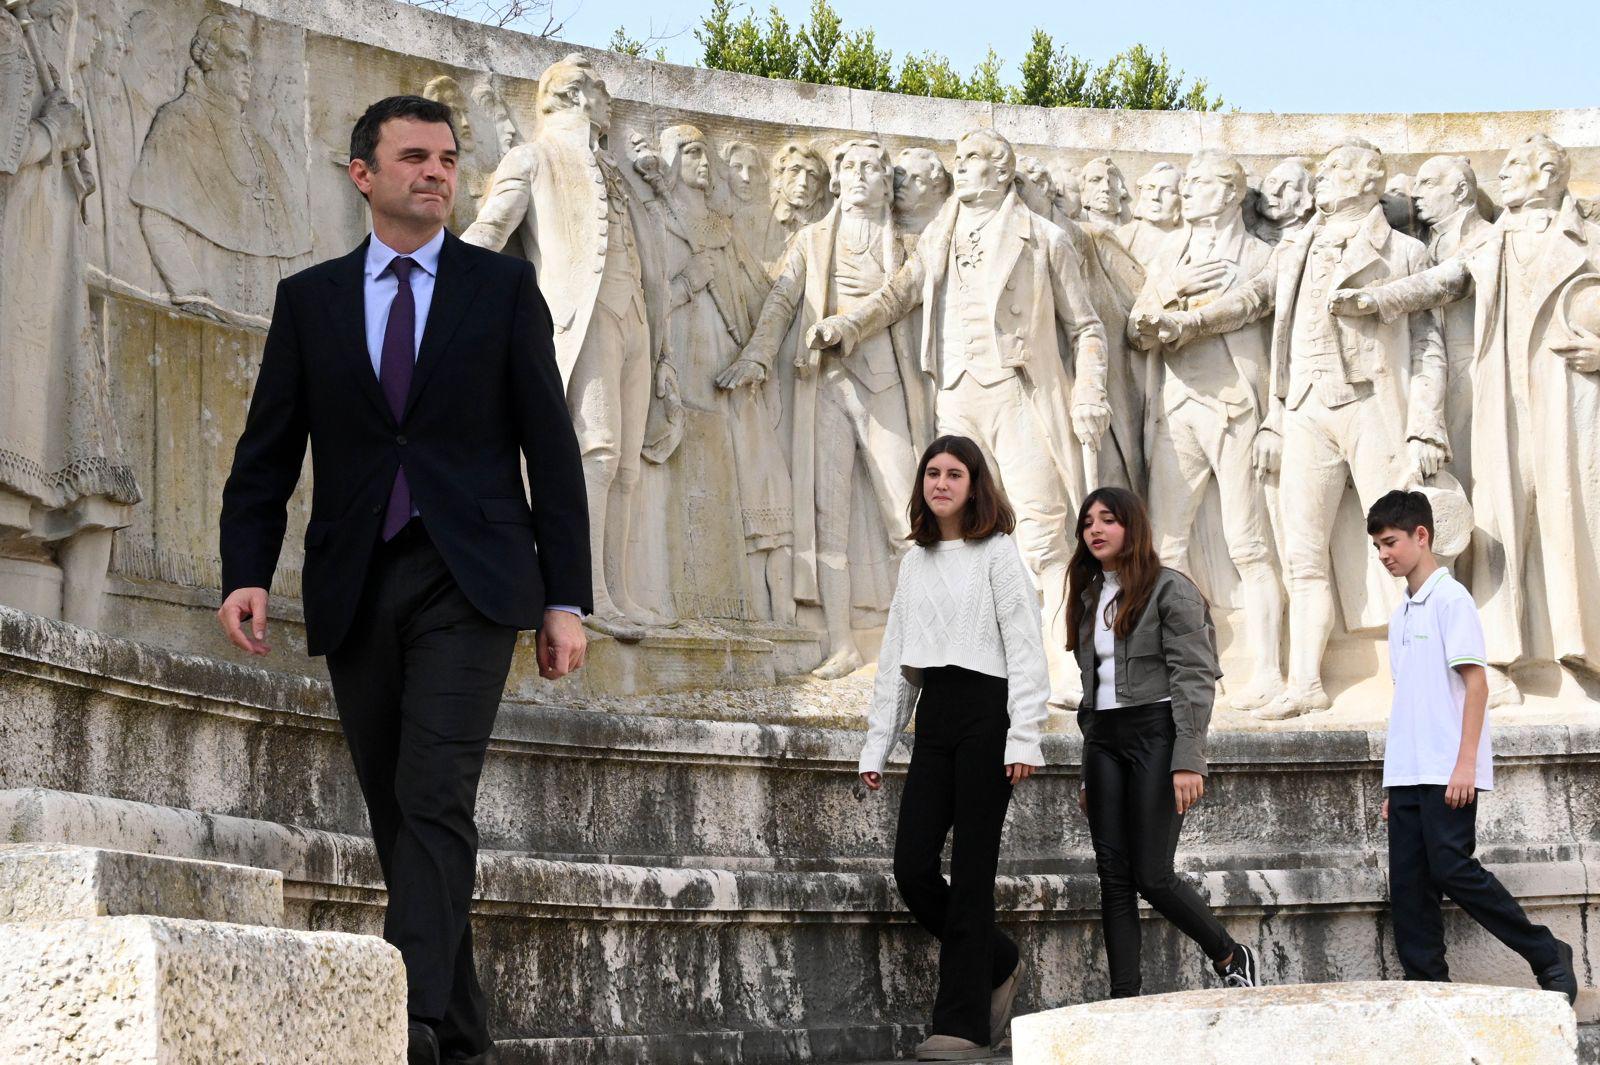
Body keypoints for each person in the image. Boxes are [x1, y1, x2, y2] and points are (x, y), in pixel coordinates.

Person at [216, 95, 591, 1065]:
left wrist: (565, 596)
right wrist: (244, 571)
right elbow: (268, 452)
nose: (435, 172)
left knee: (433, 792)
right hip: (355, 581)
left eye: (448, 158)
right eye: (414, 157)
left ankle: (408, 1016)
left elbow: (550, 451)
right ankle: (459, 1036)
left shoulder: (501, 291)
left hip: (472, 580)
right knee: (395, 805)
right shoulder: (311, 301)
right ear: (364, 175)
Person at [858, 435, 1048, 1061]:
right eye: (932, 473)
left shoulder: (998, 552)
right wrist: (876, 745)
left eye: (955, 474)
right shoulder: (915, 562)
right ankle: (996, 958)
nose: (941, 483)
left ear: (975, 485)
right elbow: (895, 660)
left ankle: (961, 1027)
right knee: (912, 866)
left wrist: (1024, 734)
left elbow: (1023, 646)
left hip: (988, 716)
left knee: (971, 871)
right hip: (935, 714)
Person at [1366, 490, 1577, 1000]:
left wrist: (1466, 766)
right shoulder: (1403, 614)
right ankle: (1429, 991)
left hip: (1448, 770)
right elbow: (1409, 700)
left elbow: (1476, 685)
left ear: (1422, 536)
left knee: (1453, 869)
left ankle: (1547, 953)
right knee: (1410, 889)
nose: (1384, 555)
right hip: (1411, 774)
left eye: (1390, 542)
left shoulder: (1450, 599)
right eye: (1376, 547)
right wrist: (1394, 779)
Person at [1068, 487, 1260, 999]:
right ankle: (1124, 997)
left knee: (1152, 874)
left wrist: (1188, 760)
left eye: (1108, 520)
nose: (1095, 530)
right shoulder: (1089, 595)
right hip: (1103, 740)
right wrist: (1087, 767)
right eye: (1088, 522)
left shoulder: (1170, 589)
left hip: (1156, 734)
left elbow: (1194, 677)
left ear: (1133, 527)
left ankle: (1230, 953)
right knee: (1113, 876)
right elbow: (1092, 689)